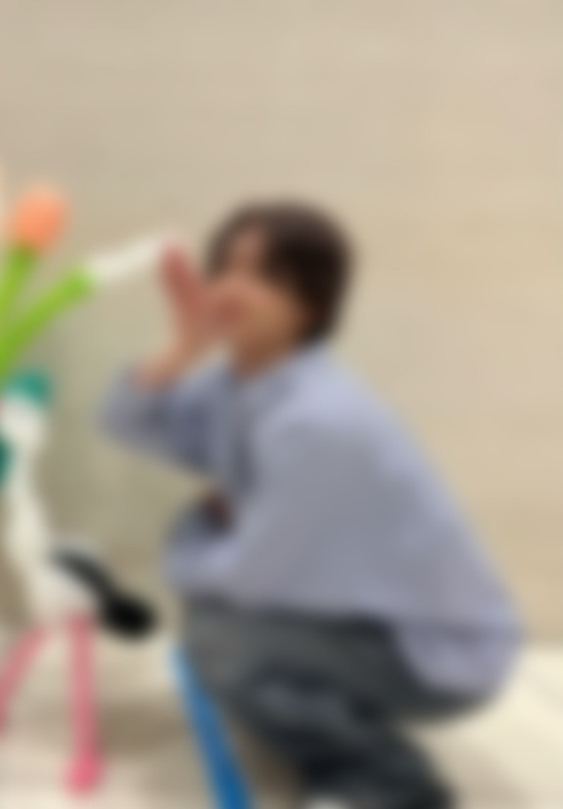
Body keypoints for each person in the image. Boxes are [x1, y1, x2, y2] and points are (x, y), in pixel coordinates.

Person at [100, 202, 520, 809]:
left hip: (436, 651)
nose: (234, 287)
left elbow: (254, 576)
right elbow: (128, 422)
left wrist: (191, 536)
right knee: (215, 626)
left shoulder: (315, 419)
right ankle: (323, 715)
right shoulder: (235, 385)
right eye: (225, 268)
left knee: (221, 640)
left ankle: (389, 781)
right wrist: (184, 345)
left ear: (313, 305)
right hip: (372, 617)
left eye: (266, 275)